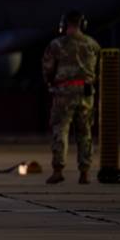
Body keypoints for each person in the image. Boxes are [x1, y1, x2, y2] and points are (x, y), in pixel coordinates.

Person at [42, 10, 101, 184]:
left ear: (64, 25)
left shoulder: (56, 44)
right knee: (85, 132)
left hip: (63, 93)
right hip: (86, 93)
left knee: (60, 130)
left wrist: (50, 83)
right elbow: (99, 71)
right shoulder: (92, 44)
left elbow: (48, 69)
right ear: (83, 24)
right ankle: (84, 173)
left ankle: (58, 170)